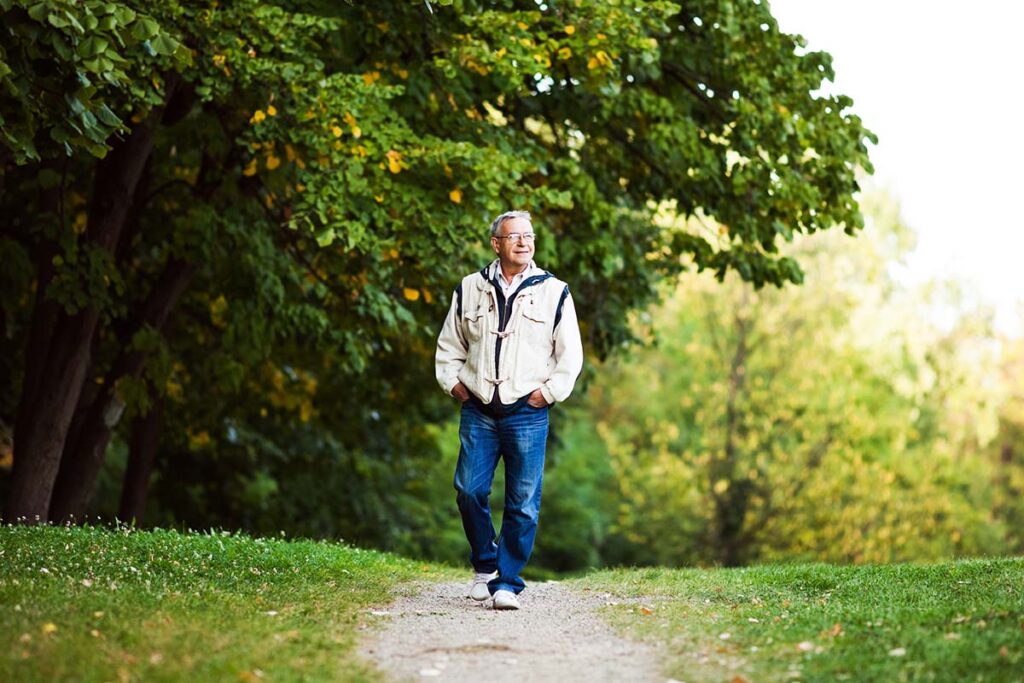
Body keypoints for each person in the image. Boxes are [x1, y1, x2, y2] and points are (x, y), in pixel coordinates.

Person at [435, 210, 584, 611]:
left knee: (522, 500)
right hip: (479, 408)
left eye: (529, 236)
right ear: (496, 244)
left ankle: (508, 582)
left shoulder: (555, 291)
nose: (523, 242)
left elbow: (570, 355)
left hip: (528, 412)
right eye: (514, 236)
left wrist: (548, 393)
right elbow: (450, 346)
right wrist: (453, 383)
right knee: (469, 490)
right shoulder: (470, 288)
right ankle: (485, 565)